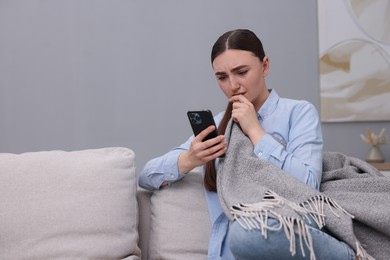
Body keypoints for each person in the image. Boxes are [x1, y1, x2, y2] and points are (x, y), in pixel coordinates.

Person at [139, 29, 356, 259]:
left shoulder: (298, 112)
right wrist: (189, 159)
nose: (233, 85)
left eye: (241, 72)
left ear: (265, 66)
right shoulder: (217, 125)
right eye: (222, 77)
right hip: (234, 248)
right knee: (243, 233)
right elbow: (146, 177)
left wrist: (256, 131)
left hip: (283, 230)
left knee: (248, 231)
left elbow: (307, 185)